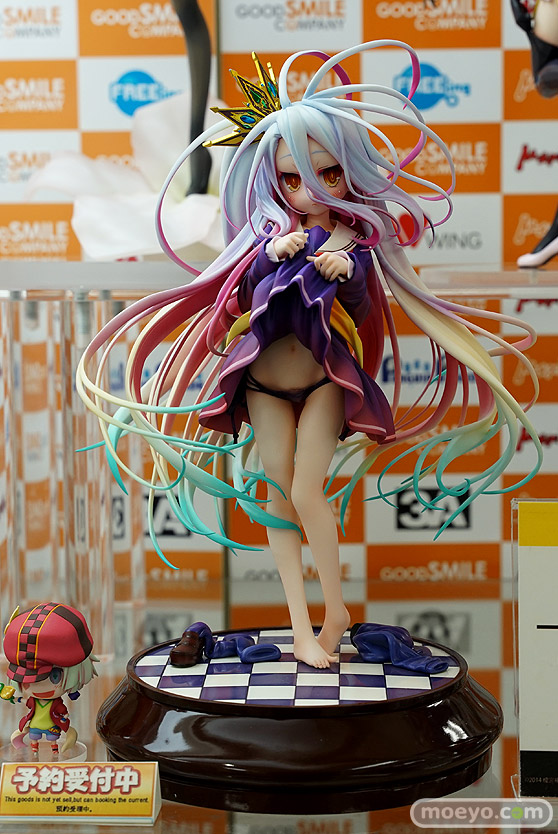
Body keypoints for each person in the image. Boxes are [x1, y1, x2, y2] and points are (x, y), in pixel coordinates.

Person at [77, 42, 541, 668]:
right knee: (276, 494)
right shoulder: (261, 236)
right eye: (292, 179)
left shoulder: (356, 239)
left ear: (349, 171)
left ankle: (336, 610)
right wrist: (264, 260)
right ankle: (301, 624)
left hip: (323, 381)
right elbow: (231, 308)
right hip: (262, 384)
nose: (309, 190)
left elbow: (362, 303)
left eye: (327, 174)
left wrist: (345, 270)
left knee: (306, 490)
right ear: (272, 180)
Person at [3, 602, 98, 754]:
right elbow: (24, 702)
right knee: (35, 738)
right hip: (35, 727)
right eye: (26, 680)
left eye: (54, 677)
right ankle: (35, 750)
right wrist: (13, 698)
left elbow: (63, 712)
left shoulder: (56, 703)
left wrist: (64, 718)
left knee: (52, 739)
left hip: (52, 727)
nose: (38, 687)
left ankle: (54, 751)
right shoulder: (33, 701)